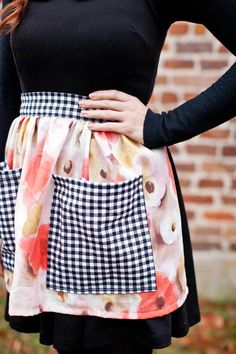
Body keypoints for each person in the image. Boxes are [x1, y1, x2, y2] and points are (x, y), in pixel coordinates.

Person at [0, 0, 235, 353]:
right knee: (66, 342)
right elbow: (5, 94)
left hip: (121, 204)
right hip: (41, 206)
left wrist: (164, 125)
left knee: (115, 343)